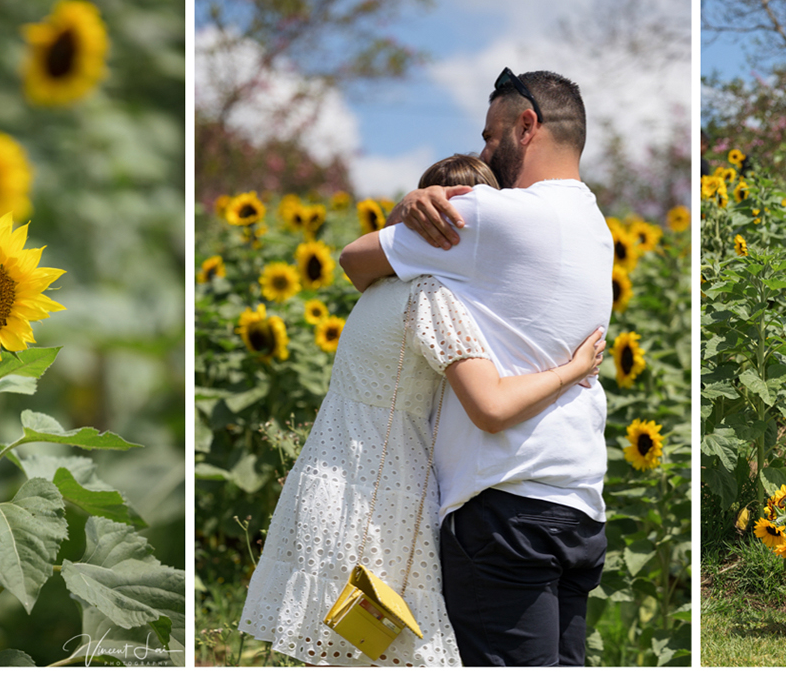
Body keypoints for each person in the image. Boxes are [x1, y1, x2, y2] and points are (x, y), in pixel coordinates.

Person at [240, 153, 604, 665]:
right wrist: (574, 368)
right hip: (386, 502)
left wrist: (402, 213)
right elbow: (492, 405)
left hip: (333, 483)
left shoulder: (375, 290)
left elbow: (355, 259)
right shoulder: (431, 298)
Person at [340, 71, 611, 665]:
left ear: (527, 126)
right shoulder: (597, 228)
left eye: (491, 136)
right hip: (580, 506)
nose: (484, 152)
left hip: (503, 505)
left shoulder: (489, 217)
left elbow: (355, 261)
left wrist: (410, 207)